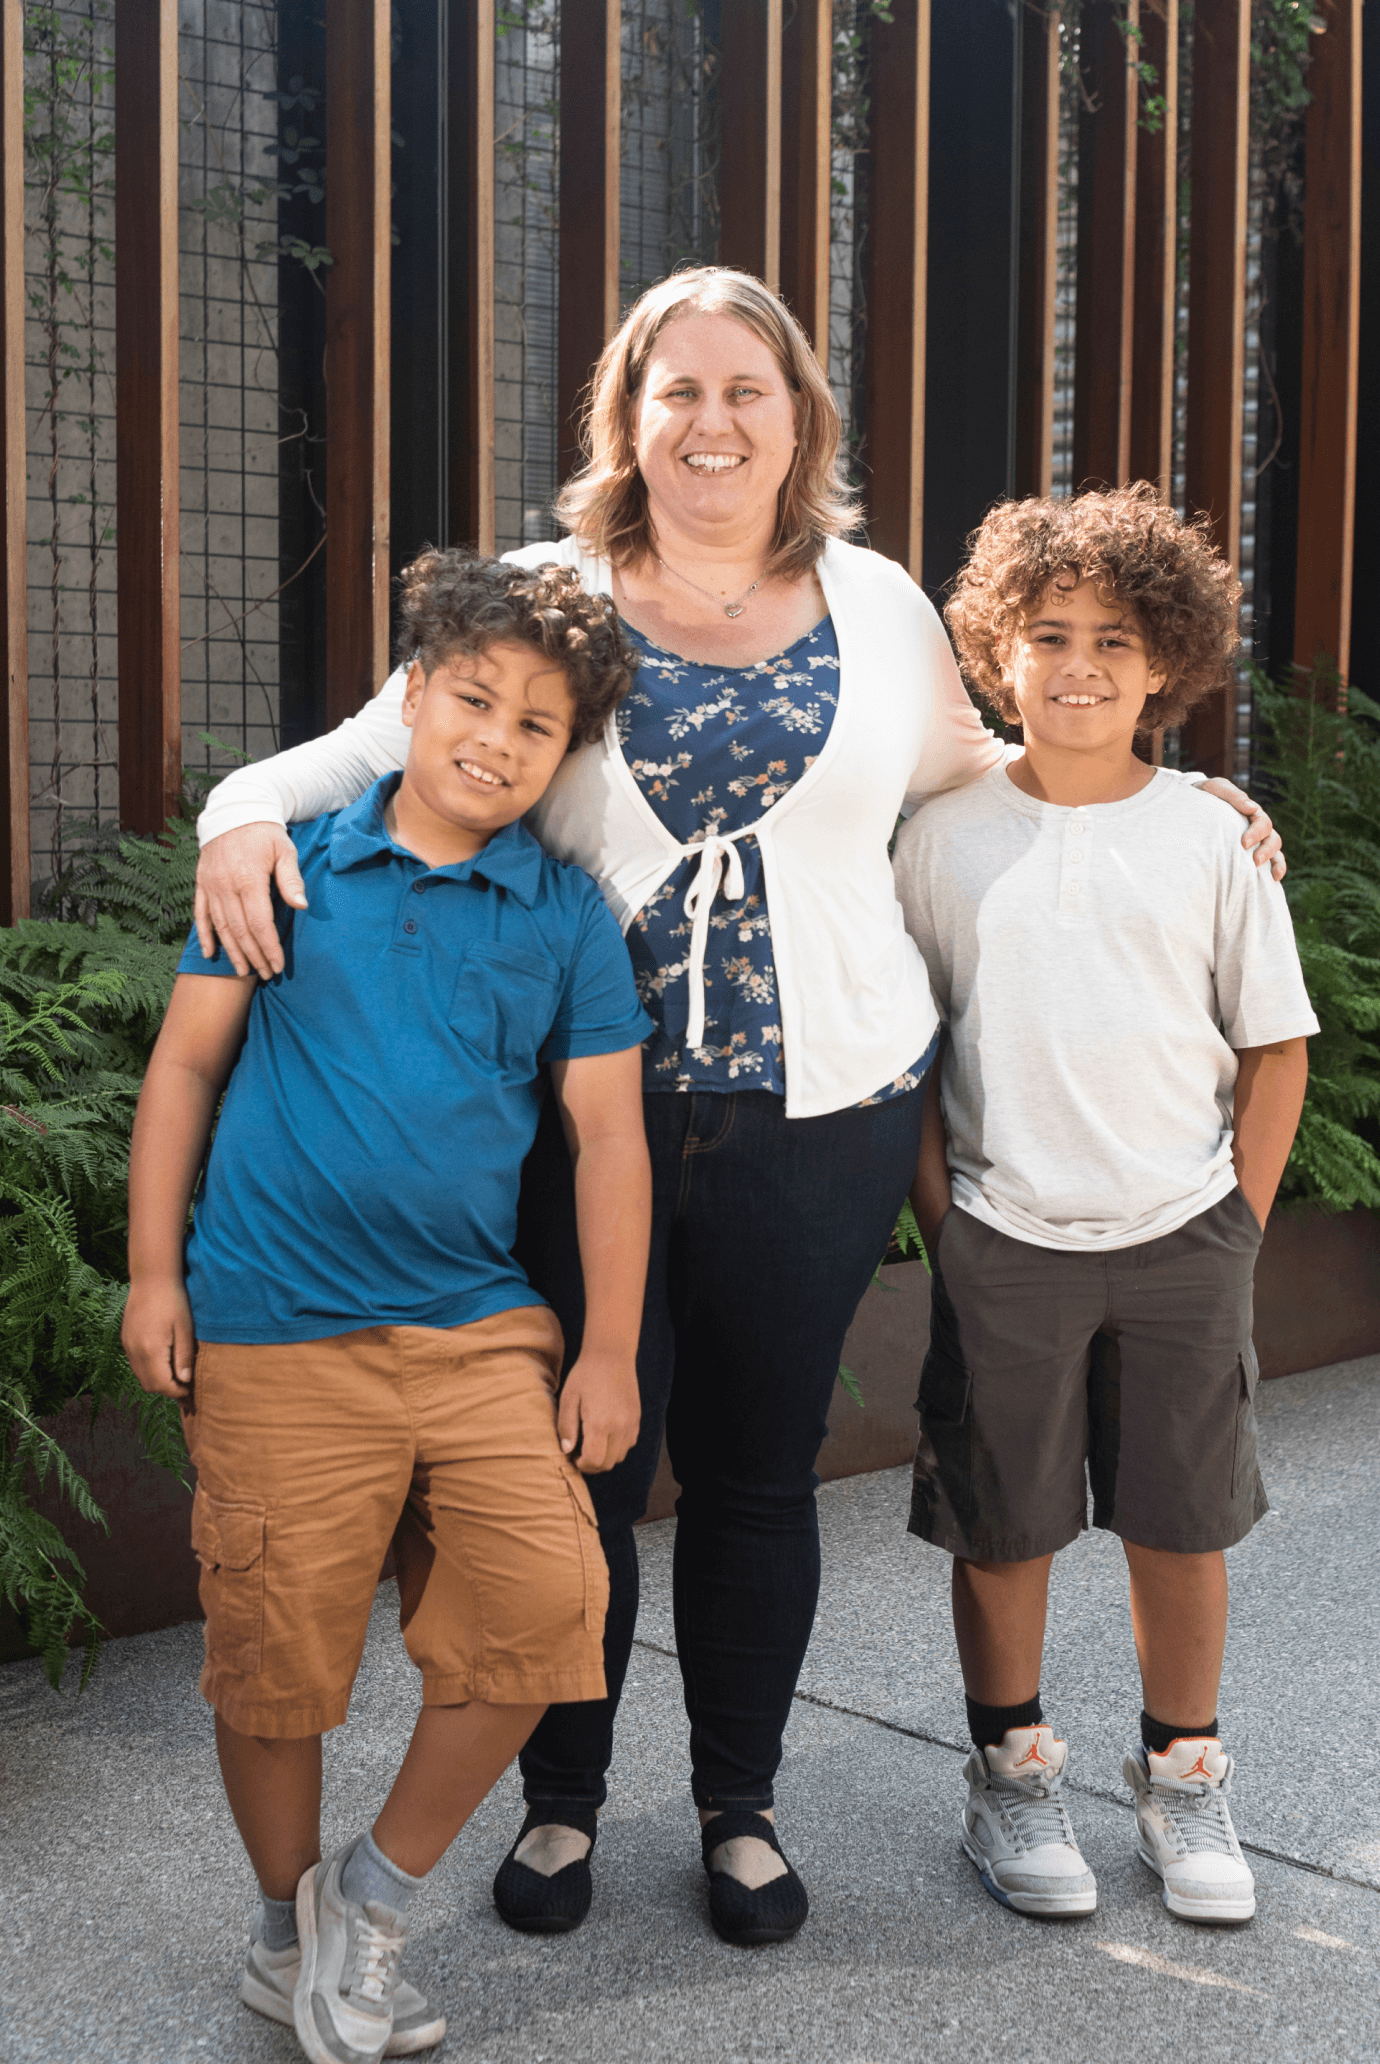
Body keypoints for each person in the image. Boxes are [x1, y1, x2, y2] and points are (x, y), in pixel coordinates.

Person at [189, 268, 1285, 1946]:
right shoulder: (549, 592)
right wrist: (235, 817)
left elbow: (982, 766)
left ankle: (740, 1810)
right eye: (675, 389)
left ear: (798, 421)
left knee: (761, 1473)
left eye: (746, 392)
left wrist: (1179, 785)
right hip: (576, 1118)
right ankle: (562, 1810)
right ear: (627, 417)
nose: (711, 423)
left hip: (824, 1103)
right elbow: (360, 749)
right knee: (576, 1475)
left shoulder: (880, 602)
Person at [122, 556, 653, 2064]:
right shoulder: (283, 864)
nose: (497, 736)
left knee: (550, 1602)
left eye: (539, 725)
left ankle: (371, 1892)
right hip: (277, 1325)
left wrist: (606, 1343)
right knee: (276, 1652)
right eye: (474, 698)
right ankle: (286, 1929)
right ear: (411, 697)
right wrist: (155, 1272)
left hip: (478, 1330)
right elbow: (186, 1070)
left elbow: (606, 1137)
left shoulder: (561, 916)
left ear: (567, 759)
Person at [895, 485, 1317, 1927]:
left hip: (1184, 1234)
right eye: (1050, 634)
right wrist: (953, 1230)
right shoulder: (941, 836)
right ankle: (1010, 1777)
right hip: (1007, 1238)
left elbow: (1275, 1048)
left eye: (1117, 641)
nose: (1080, 664)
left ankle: (1181, 1773)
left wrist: (1238, 1227)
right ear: (998, 651)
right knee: (1002, 1524)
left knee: (1179, 1522)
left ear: (1168, 667)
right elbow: (914, 1050)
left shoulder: (1209, 836)